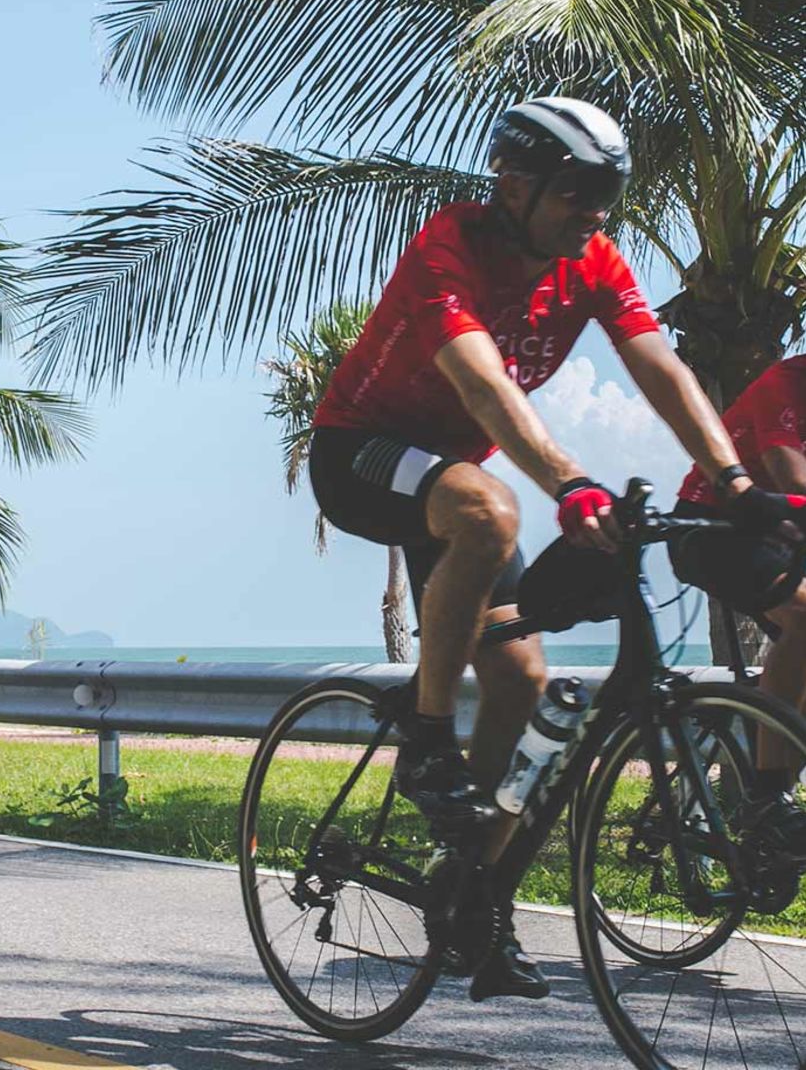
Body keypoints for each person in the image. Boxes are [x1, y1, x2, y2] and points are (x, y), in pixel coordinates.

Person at [308, 96, 806, 1000]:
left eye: (608, 195)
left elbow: (663, 367)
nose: (594, 213)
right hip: (361, 455)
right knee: (492, 508)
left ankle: (472, 894)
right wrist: (570, 483)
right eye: (578, 193)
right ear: (517, 180)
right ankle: (425, 740)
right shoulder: (449, 248)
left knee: (526, 683)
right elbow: (483, 383)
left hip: (451, 484)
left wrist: (732, 484)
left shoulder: (593, 261)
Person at [671, 354, 806, 854]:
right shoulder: (785, 384)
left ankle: (773, 824)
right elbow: (790, 475)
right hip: (712, 528)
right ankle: (769, 795)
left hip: (779, 534)